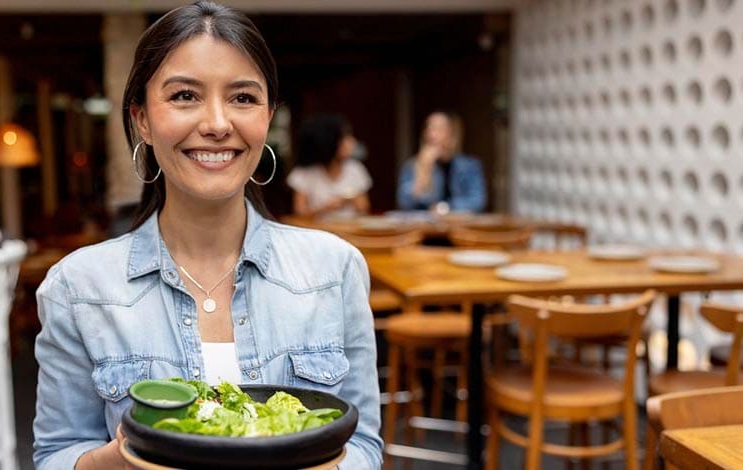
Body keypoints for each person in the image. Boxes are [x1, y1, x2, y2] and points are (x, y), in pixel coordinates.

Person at [32, 2, 383, 469]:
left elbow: (363, 447)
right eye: (184, 96)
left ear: (267, 117)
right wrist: (126, 457)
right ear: (142, 119)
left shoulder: (334, 269)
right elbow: (56, 455)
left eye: (242, 98)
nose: (218, 124)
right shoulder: (78, 287)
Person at [396, 111, 486, 213]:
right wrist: (424, 171)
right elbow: (405, 203)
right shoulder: (412, 165)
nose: (431, 134)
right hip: (425, 227)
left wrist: (445, 207)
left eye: (438, 129)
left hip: (459, 225)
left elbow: (477, 201)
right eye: (428, 128)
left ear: (452, 135)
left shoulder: (469, 165)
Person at [286, 114, 372, 219]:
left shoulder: (355, 168)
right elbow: (299, 212)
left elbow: (364, 207)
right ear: (330, 142)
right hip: (316, 232)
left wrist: (348, 199)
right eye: (346, 138)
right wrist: (326, 208)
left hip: (348, 231)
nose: (352, 142)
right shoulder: (305, 172)